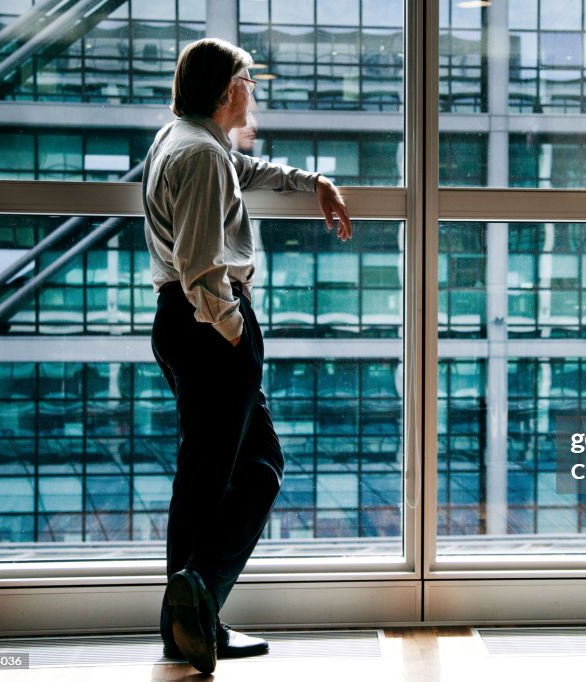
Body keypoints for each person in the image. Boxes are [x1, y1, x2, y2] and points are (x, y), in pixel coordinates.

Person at [143, 37, 352, 674]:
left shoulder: (186, 140)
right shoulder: (201, 155)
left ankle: (190, 617)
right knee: (241, 472)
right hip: (210, 325)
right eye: (248, 81)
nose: (253, 92)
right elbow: (202, 265)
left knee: (219, 475)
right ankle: (195, 600)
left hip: (187, 324)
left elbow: (247, 173)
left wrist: (312, 181)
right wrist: (234, 331)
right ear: (226, 88)